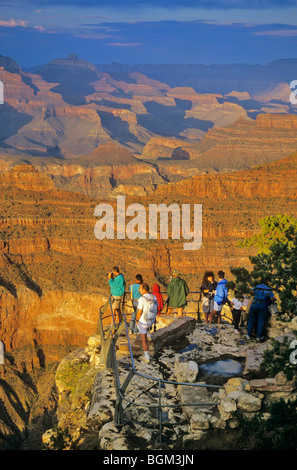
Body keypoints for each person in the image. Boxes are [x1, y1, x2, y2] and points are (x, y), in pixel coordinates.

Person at [136, 283, 158, 363]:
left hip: (144, 322)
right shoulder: (153, 297)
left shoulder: (142, 299)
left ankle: (146, 357)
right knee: (146, 329)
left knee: (144, 340)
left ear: (143, 289)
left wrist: (137, 320)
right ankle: (148, 334)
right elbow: (156, 308)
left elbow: (139, 312)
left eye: (140, 289)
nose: (139, 290)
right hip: (151, 320)